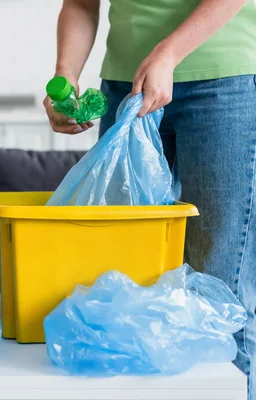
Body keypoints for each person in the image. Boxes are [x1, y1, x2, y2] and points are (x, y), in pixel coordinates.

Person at [45, 0, 256, 396]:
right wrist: (65, 74)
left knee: (219, 284)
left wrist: (169, 52)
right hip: (127, 88)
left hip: (222, 83)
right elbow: (79, 3)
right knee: (117, 283)